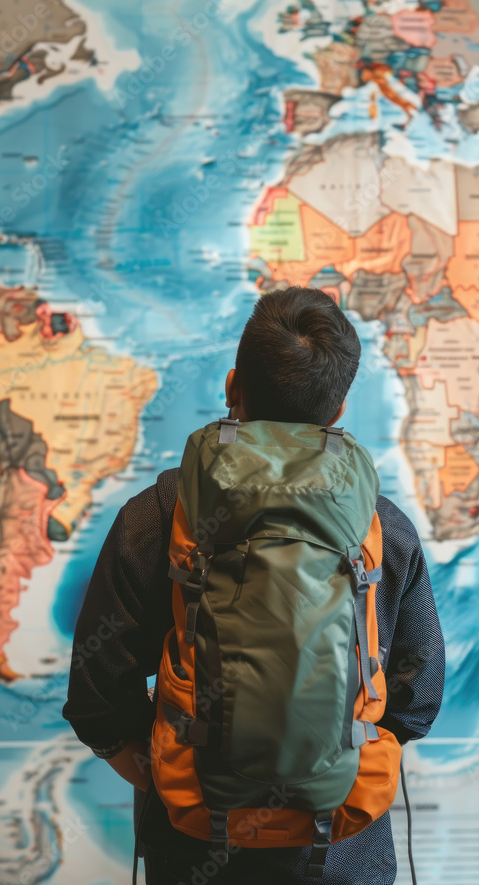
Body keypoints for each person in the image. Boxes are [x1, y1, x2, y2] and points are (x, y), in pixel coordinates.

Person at [63, 286, 445, 884]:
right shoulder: (382, 527)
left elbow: (96, 695)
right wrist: (328, 760)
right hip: (344, 849)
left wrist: (182, 779)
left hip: (193, 847)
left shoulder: (159, 514)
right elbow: (416, 698)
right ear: (339, 409)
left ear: (232, 386)